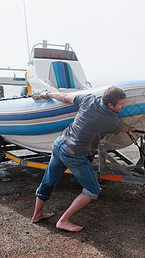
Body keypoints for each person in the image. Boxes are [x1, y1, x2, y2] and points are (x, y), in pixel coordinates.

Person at [31, 86, 135, 232]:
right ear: (110, 105)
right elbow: (123, 127)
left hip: (59, 143)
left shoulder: (89, 99)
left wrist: (47, 93)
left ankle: (37, 215)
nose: (124, 106)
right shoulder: (112, 121)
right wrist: (132, 128)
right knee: (93, 189)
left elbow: (65, 97)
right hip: (74, 154)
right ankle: (63, 220)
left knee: (49, 181)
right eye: (121, 104)